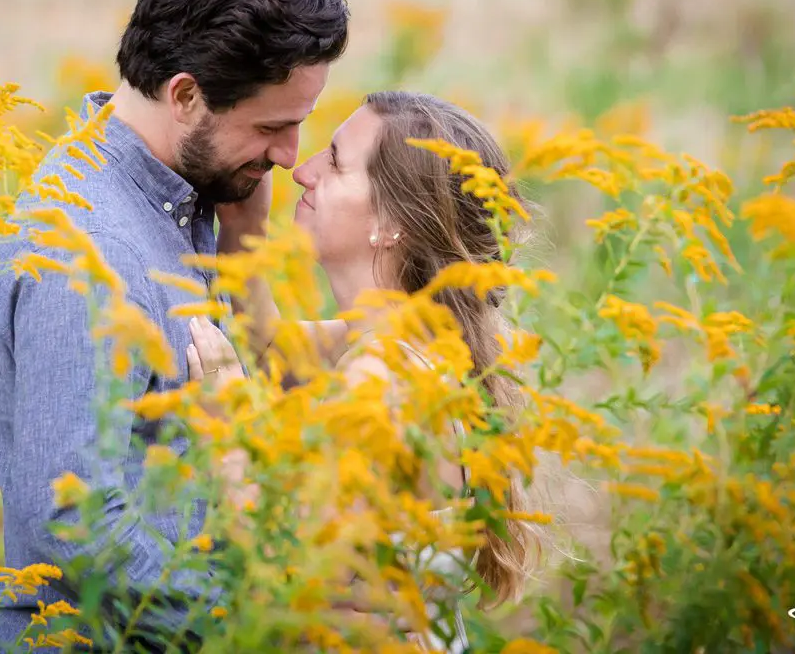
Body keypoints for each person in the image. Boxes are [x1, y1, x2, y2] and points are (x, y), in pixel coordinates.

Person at [0, 0, 349, 652]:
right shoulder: (84, 253)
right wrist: (258, 631)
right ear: (184, 94)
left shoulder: (188, 194)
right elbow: (75, 522)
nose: (289, 157)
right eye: (272, 126)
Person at [190, 91, 558, 651]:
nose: (303, 170)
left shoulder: (384, 379)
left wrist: (227, 421)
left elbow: (285, 560)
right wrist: (245, 231)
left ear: (391, 224)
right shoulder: (409, 338)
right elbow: (274, 353)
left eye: (336, 161)